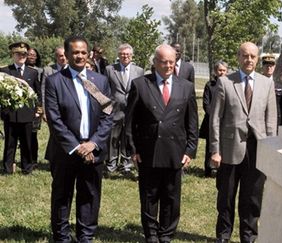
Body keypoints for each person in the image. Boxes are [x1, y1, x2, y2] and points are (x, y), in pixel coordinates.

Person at [125, 44, 198, 243]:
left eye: (171, 62)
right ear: (155, 62)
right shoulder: (140, 84)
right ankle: (151, 234)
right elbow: (130, 121)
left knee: (171, 196)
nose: (167, 66)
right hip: (148, 150)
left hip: (176, 151)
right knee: (149, 195)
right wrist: (133, 150)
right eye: (163, 62)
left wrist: (190, 150)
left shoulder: (186, 86)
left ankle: (166, 233)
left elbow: (192, 122)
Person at [45, 36, 113, 242]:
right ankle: (62, 236)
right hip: (65, 150)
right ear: (66, 54)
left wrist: (93, 143)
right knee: (62, 195)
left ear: (89, 54)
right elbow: (54, 119)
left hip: (93, 150)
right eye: (75, 52)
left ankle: (86, 235)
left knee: (90, 196)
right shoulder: (54, 81)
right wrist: (77, 147)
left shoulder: (100, 81)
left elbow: (108, 116)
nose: (80, 56)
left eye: (83, 52)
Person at [210, 42, 277, 243]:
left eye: (252, 56)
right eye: (245, 56)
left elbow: (271, 120)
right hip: (229, 149)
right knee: (226, 198)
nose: (249, 60)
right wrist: (215, 150)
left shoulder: (267, 84)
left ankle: (248, 236)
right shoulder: (225, 82)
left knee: (252, 197)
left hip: (257, 149)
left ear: (257, 59)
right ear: (238, 57)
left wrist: (270, 149)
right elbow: (215, 119)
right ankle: (223, 235)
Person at [1, 42, 41, 174]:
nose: (21, 56)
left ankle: (27, 168)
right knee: (10, 143)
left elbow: (37, 93)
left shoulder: (33, 72)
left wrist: (38, 109)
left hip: (27, 114)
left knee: (27, 143)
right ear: (12, 55)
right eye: (18, 54)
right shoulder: (5, 71)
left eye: (24, 54)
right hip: (10, 114)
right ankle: (7, 169)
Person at [105, 43, 144, 173]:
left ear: (131, 56)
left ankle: (127, 163)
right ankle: (112, 163)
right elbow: (106, 89)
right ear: (118, 55)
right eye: (122, 54)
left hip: (132, 110)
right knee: (113, 138)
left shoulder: (139, 71)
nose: (125, 56)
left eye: (127, 54)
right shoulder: (110, 69)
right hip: (115, 109)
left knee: (128, 137)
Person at [199, 60, 228, 177]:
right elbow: (206, 104)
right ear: (215, 71)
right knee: (210, 146)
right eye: (219, 70)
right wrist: (215, 118)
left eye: (224, 70)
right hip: (211, 121)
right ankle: (208, 169)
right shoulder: (209, 85)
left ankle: (221, 169)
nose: (221, 72)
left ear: (227, 71)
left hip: (225, 122)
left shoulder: (230, 85)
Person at [26, 47, 44, 164]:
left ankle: (33, 159)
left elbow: (41, 89)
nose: (32, 56)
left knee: (33, 134)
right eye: (29, 54)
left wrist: (40, 106)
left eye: (34, 55)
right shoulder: (20, 69)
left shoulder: (41, 71)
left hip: (35, 106)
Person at [261, 54, 282, 127]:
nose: (269, 68)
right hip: (260, 121)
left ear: (275, 67)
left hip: (276, 122)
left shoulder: (280, 84)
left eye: (271, 65)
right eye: (266, 65)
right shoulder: (256, 82)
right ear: (262, 67)